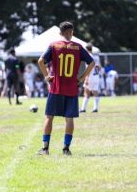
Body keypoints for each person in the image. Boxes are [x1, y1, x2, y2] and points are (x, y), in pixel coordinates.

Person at [37, 21, 95, 156]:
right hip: (71, 88)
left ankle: (45, 148)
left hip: (56, 87)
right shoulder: (78, 47)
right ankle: (66, 149)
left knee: (49, 117)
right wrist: (81, 78)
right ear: (71, 32)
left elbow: (41, 61)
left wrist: (46, 76)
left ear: (60, 33)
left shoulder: (54, 45)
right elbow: (92, 63)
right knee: (69, 119)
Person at [80, 44, 102, 113]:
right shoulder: (97, 57)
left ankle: (83, 109)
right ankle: (95, 108)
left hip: (90, 77)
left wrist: (86, 78)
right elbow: (99, 67)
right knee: (95, 92)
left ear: (86, 49)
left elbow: (88, 69)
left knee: (86, 93)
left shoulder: (88, 56)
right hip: (96, 77)